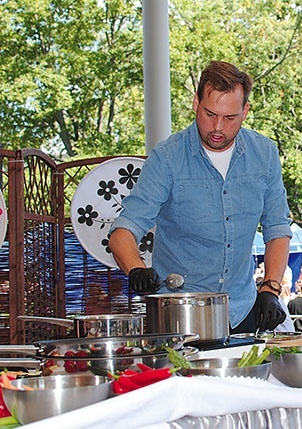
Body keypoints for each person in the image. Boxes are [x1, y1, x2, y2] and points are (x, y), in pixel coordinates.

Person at [109, 60, 292, 334]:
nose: (217, 127)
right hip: (178, 315)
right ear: (196, 102)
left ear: (245, 111)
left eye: (230, 118)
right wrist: (136, 268)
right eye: (209, 114)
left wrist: (270, 289)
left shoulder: (264, 155)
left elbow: (277, 229)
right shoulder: (166, 158)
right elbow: (123, 231)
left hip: (242, 308)